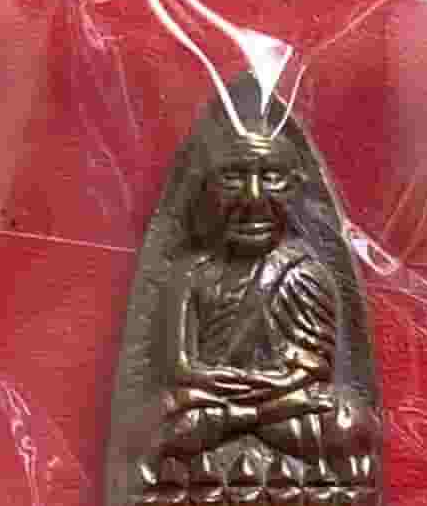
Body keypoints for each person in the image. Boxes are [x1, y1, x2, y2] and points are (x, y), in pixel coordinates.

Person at [154, 123, 376, 480]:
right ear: (205, 188)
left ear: (296, 188)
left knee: (350, 419)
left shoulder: (303, 272)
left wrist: (274, 387)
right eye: (232, 177)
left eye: (272, 177)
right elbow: (179, 367)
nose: (253, 198)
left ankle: (237, 433)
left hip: (278, 404)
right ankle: (243, 431)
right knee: (155, 421)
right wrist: (226, 386)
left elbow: (316, 366)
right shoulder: (191, 273)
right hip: (216, 401)